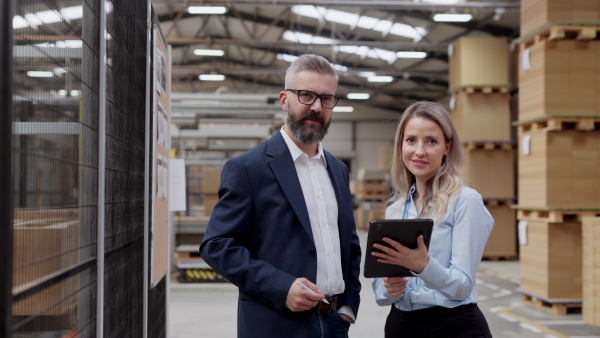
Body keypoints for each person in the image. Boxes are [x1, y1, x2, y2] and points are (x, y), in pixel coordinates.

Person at [200, 54, 361, 338]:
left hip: (335, 322)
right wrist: (281, 286)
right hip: (276, 322)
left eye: (326, 99)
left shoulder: (338, 170)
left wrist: (349, 303)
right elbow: (217, 245)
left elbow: (348, 242)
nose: (316, 107)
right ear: (284, 100)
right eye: (306, 95)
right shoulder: (248, 168)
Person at [370, 101, 493, 338]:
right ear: (401, 146)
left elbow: (462, 286)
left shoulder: (466, 202)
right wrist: (389, 288)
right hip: (400, 326)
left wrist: (423, 266)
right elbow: (379, 293)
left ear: (447, 147)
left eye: (431, 141)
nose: (419, 151)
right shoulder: (395, 210)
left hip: (453, 326)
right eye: (411, 140)